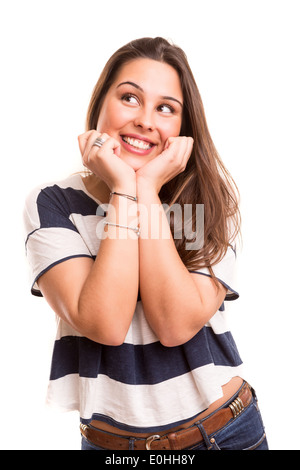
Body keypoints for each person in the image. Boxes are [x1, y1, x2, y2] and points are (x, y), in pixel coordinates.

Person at [23, 37, 268, 450]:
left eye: (166, 108)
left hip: (224, 434)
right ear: (101, 103)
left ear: (182, 130)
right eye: (130, 98)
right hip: (113, 447)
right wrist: (124, 187)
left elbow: (175, 325)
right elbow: (104, 322)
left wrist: (147, 188)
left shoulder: (209, 200)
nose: (146, 120)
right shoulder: (54, 203)